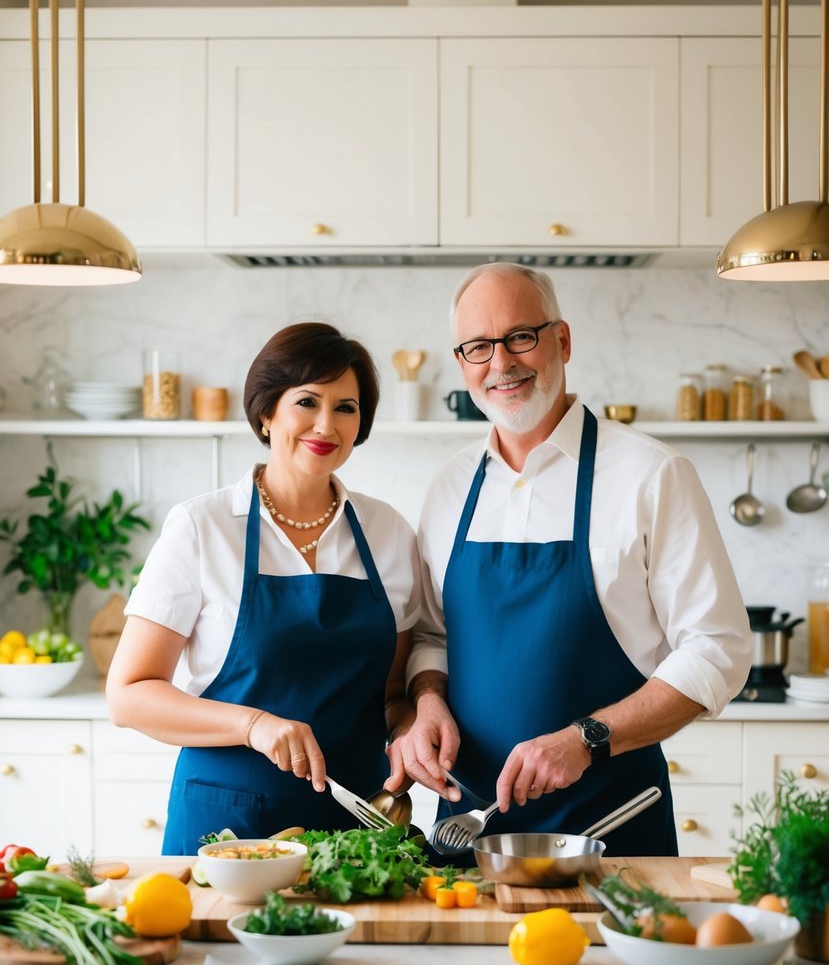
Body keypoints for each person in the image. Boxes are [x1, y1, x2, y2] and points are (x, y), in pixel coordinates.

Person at [384, 263, 752, 856]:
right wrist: (426, 701)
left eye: (520, 337)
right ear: (462, 365)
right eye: (479, 346)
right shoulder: (449, 486)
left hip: (612, 832)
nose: (500, 362)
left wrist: (586, 739)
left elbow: (718, 650)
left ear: (563, 341)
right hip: (469, 835)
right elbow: (432, 634)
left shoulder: (651, 474)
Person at [107, 323, 420, 854]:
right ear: (266, 412)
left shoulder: (388, 532)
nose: (327, 423)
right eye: (307, 401)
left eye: (347, 407)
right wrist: (253, 725)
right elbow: (129, 696)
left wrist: (412, 732)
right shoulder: (202, 527)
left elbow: (392, 695)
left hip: (355, 830)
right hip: (225, 829)